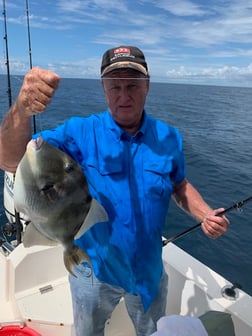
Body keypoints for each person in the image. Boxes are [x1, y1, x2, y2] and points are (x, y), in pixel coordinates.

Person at [0, 46, 230, 336]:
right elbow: (9, 160)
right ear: (103, 88)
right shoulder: (79, 132)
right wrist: (22, 109)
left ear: (147, 86)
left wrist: (205, 213)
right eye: (114, 86)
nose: (124, 95)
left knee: (152, 332)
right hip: (92, 270)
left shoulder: (169, 137)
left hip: (149, 272)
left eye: (133, 85)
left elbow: (179, 184)